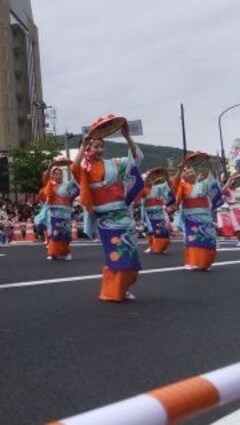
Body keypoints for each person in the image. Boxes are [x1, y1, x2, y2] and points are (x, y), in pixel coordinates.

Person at [72, 120, 143, 302]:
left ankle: (124, 287)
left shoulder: (114, 163)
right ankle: (113, 291)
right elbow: (74, 168)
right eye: (95, 146)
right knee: (117, 253)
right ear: (88, 148)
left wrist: (127, 136)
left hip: (123, 214)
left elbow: (136, 158)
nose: (99, 149)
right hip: (105, 218)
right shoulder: (84, 169)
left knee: (131, 252)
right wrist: (83, 143)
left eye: (101, 146)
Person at [174, 159, 223, 271]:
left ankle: (206, 263)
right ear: (184, 176)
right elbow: (174, 187)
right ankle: (192, 262)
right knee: (192, 240)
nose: (190, 174)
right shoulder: (182, 185)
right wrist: (180, 169)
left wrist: (209, 163)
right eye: (188, 172)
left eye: (192, 172)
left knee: (209, 238)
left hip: (205, 216)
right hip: (191, 217)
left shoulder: (203, 184)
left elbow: (213, 178)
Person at [37, 164, 77, 260]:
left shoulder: (67, 185)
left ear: (62, 175)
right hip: (53, 213)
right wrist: (50, 166)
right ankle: (53, 253)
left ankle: (66, 252)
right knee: (54, 233)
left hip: (65, 213)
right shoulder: (50, 185)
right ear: (52, 175)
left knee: (65, 234)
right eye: (55, 174)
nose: (57, 176)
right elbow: (45, 180)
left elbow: (76, 180)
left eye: (59, 174)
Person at [139, 170, 175, 255]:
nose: (150, 179)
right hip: (149, 212)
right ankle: (152, 246)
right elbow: (140, 198)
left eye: (151, 178)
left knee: (163, 229)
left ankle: (160, 246)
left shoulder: (158, 187)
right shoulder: (142, 189)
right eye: (148, 178)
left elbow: (168, 186)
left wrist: (166, 174)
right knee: (152, 229)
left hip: (159, 211)